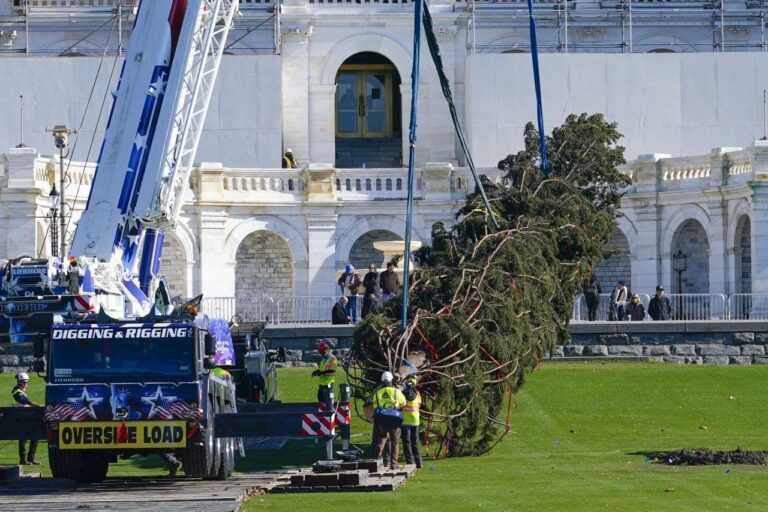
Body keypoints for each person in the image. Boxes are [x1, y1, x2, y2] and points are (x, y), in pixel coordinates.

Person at [370, 371, 406, 471]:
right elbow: (403, 402)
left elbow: (375, 405)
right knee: (395, 442)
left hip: (381, 419)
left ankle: (376, 460)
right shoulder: (396, 391)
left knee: (382, 437)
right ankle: (393, 464)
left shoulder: (377, 393)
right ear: (391, 381)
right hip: (394, 419)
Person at [12, 372, 40, 466]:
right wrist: (38, 406)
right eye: (25, 382)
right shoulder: (17, 393)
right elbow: (26, 402)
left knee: (35, 437)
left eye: (26, 382)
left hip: (25, 418)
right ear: (20, 382)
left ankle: (31, 458)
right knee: (23, 438)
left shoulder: (20, 392)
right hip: (19, 419)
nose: (26, 384)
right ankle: (23, 459)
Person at [400, 375, 423, 469]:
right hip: (415, 421)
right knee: (415, 442)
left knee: (407, 443)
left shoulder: (402, 394)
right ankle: (419, 463)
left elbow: (400, 404)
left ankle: (410, 462)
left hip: (405, 421)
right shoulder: (417, 394)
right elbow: (419, 404)